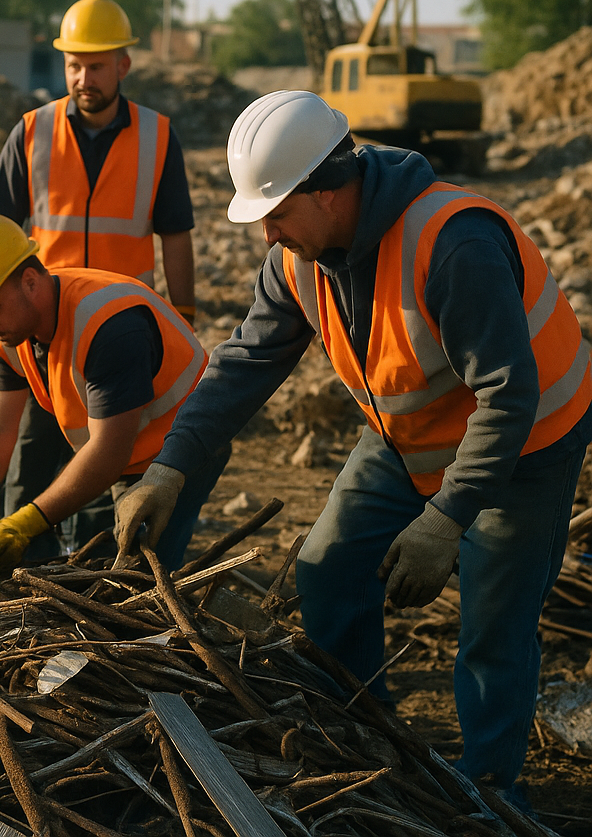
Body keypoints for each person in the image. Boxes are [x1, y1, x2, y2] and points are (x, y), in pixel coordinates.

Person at [115, 90, 592, 811]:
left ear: (329, 190)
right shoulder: (296, 257)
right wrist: (170, 467)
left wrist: (445, 519)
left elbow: (508, 399)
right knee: (328, 569)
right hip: (408, 437)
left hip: (525, 444)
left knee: (493, 624)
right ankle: (368, 736)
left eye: (275, 213)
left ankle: (490, 789)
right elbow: (243, 365)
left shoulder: (453, 241)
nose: (267, 234)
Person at [0, 0, 197, 555]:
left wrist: (185, 313)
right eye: (74, 65)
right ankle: (17, 579)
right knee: (30, 472)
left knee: (109, 468)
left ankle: (91, 588)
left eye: (97, 65)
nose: (85, 78)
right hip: (41, 333)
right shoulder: (30, 133)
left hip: (117, 336)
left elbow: (175, 233)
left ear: (123, 66)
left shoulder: (157, 137)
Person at [0, 213, 228, 573]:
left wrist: (26, 522)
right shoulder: (7, 333)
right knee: (88, 563)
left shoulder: (110, 326)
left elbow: (108, 453)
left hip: (182, 448)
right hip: (118, 450)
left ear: (29, 282)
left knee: (138, 578)